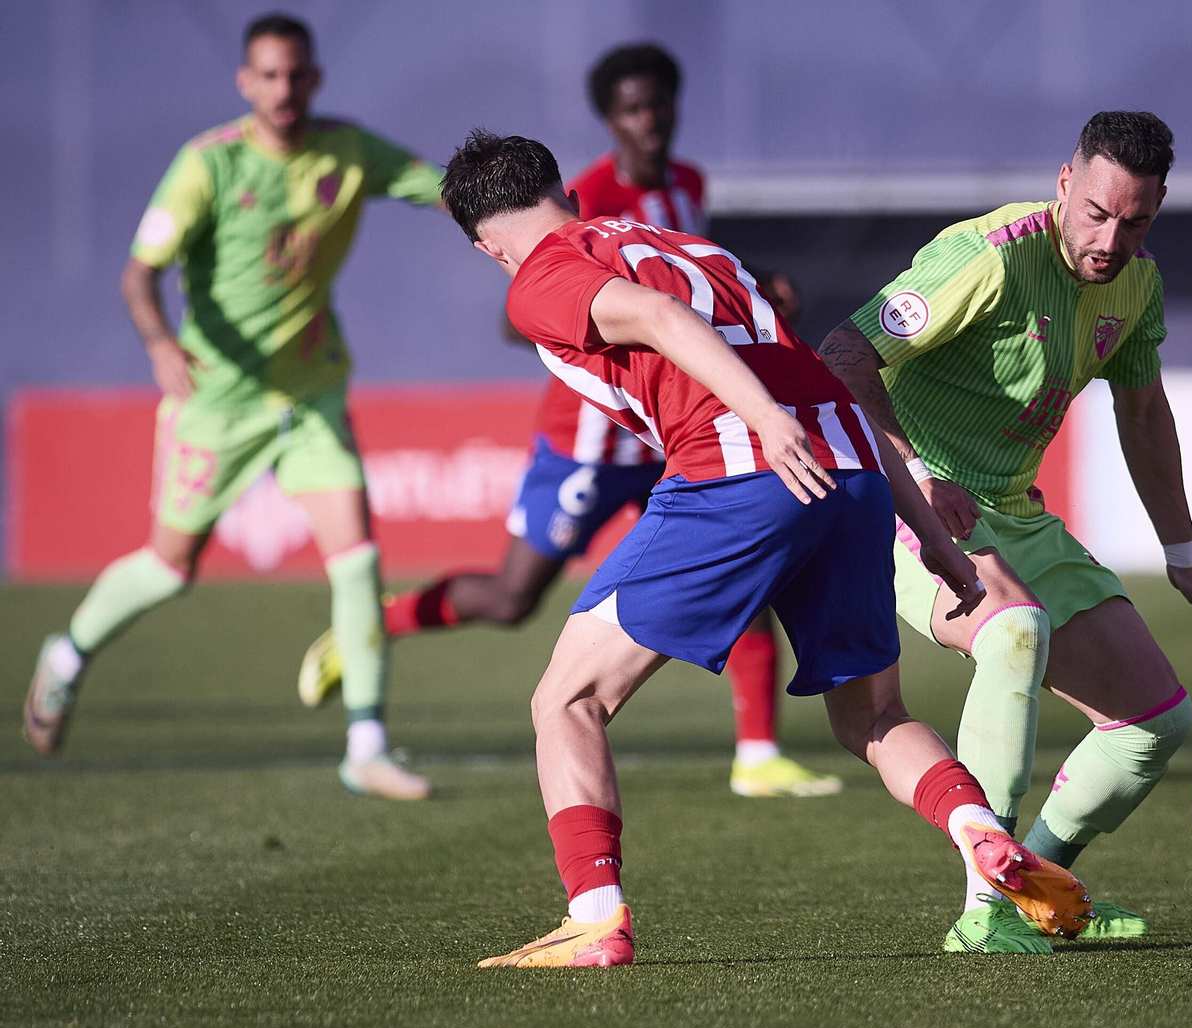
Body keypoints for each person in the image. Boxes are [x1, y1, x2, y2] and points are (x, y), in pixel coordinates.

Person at [439, 130, 1095, 967]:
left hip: (742, 470)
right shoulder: (690, 245)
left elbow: (655, 316)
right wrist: (933, 538)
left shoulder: (539, 277)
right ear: (561, 190)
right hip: (851, 472)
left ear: (486, 243)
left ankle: (595, 916)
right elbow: (819, 380)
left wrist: (761, 420)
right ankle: (982, 839)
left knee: (565, 703)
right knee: (875, 716)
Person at [295, 43, 833, 799]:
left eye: (660, 105)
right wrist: (609, 322)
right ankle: (379, 623)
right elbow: (539, 315)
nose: (649, 122)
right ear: (610, 119)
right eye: (632, 110)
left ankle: (756, 751)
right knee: (513, 599)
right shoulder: (576, 198)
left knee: (742, 561)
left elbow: (676, 281)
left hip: (677, 425)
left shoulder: (687, 183)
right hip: (589, 440)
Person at [815, 111, 1192, 953]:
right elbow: (840, 355)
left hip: (1014, 510)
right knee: (1012, 632)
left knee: (1157, 723)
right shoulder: (990, 254)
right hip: (898, 495)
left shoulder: (1137, 285)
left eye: (1138, 221)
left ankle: (1037, 887)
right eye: (1098, 213)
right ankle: (986, 908)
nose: (1113, 238)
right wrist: (918, 478)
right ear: (1065, 183)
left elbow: (1143, 413)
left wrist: (1180, 553)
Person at [21, 14, 442, 801]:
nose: (284, 91)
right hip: (216, 403)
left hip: (311, 392)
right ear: (246, 83)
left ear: (313, 80)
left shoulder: (347, 150)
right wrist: (158, 344)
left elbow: (444, 192)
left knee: (357, 560)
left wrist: (524, 222)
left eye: (296, 76)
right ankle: (68, 654)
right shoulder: (206, 166)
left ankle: (367, 743)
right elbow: (139, 276)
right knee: (169, 567)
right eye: (268, 77)